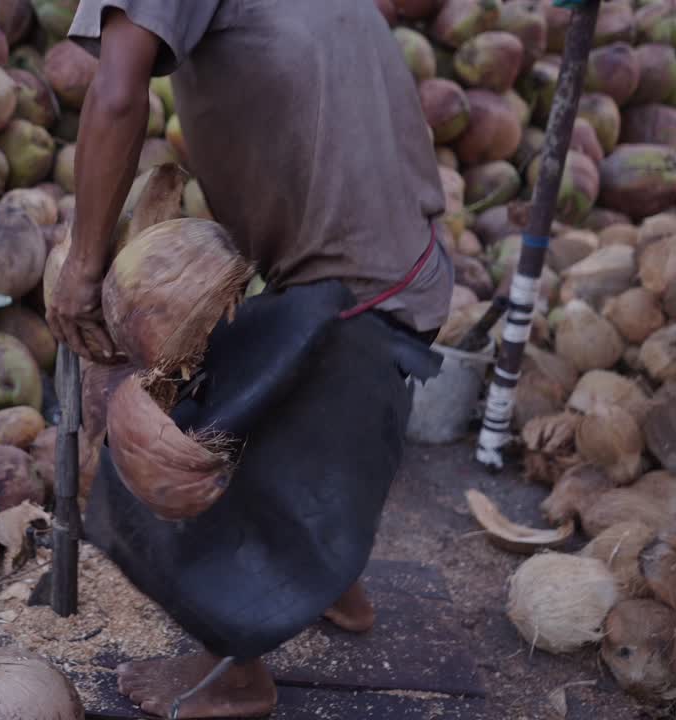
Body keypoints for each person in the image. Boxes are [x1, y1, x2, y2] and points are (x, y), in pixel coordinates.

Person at [45, 1, 455, 718]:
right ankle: (331, 583)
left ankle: (235, 674)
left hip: (351, 291)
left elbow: (116, 96)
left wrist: (83, 264)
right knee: (306, 425)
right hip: (401, 264)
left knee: (158, 456)